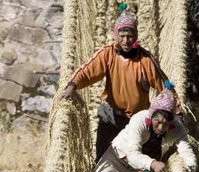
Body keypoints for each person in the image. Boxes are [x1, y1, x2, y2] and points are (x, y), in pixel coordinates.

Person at [59, 7, 175, 161]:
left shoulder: (145, 60)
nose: (126, 40)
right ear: (116, 36)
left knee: (140, 158)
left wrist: (175, 113)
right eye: (122, 36)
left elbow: (165, 86)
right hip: (110, 114)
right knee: (104, 157)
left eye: (130, 36)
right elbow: (87, 71)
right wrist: (72, 86)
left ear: (136, 36)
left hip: (137, 118)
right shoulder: (107, 54)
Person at [93, 88, 197, 172]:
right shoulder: (139, 120)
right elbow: (132, 154)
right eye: (157, 122)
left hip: (141, 171)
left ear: (172, 122)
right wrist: (153, 163)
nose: (161, 127)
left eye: (166, 124)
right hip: (117, 158)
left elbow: (187, 151)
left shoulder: (177, 129)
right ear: (151, 115)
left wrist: (190, 171)